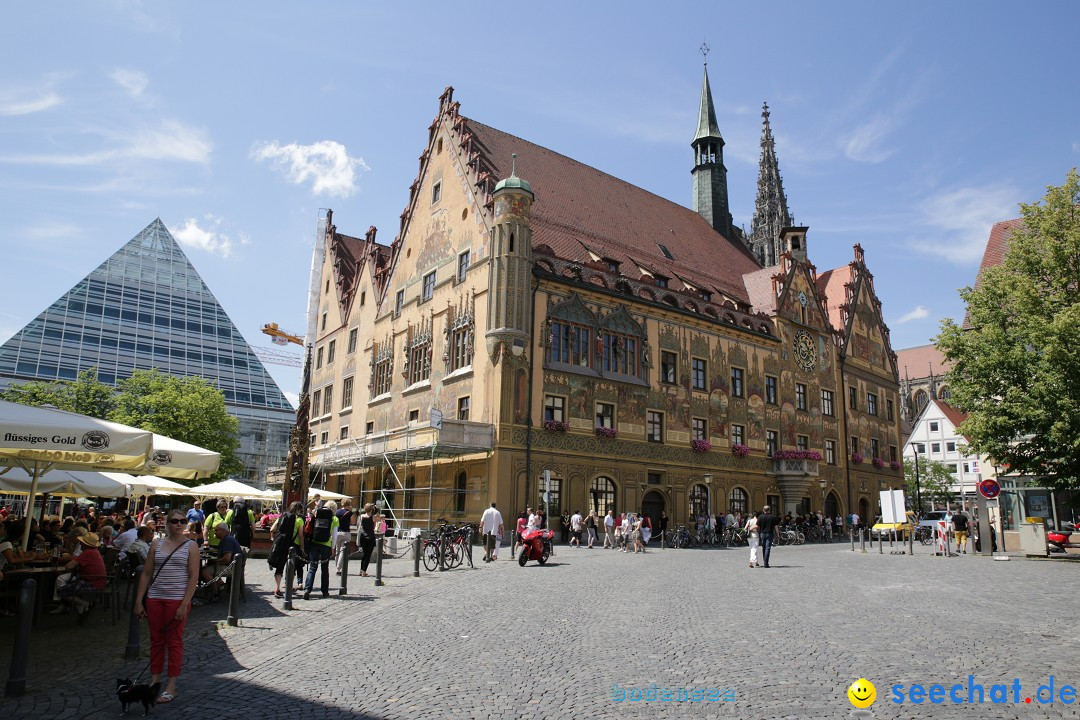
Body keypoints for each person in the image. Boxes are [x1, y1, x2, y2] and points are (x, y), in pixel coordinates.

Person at [134, 508, 198, 705]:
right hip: (155, 598)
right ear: (167, 524)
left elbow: (193, 577)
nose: (178, 524)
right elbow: (146, 573)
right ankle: (155, 681)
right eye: (174, 521)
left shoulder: (191, 546)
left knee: (174, 642)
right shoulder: (156, 544)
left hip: (176, 600)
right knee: (156, 640)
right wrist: (139, 601)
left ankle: (171, 686)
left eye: (182, 521)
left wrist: (184, 604)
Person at [53, 531, 106, 617]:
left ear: (86, 545)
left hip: (92, 583)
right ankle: (79, 609)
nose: (80, 544)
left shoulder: (88, 553)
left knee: (62, 590)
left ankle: (84, 604)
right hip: (96, 581)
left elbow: (68, 567)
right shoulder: (94, 551)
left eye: (82, 542)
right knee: (66, 583)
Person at [268, 502, 305, 597]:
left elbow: (272, 529)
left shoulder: (283, 515)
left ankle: (277, 589)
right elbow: (300, 536)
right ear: (298, 509)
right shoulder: (299, 520)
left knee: (279, 568)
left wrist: (273, 538)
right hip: (293, 546)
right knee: (291, 567)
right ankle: (289, 587)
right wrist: (302, 548)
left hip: (281, 544)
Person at [303, 500, 337, 600]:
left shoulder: (317, 514)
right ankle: (325, 591)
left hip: (315, 543)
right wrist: (333, 547)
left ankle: (307, 589)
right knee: (324, 568)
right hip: (326, 545)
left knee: (313, 567)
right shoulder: (334, 518)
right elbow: (335, 535)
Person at [334, 499, 355, 575]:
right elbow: (353, 522)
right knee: (343, 551)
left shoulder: (337, 512)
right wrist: (351, 511)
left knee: (337, 550)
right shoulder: (349, 513)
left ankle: (337, 567)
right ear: (349, 504)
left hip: (337, 532)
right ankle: (338, 568)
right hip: (345, 533)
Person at [356, 503, 376, 577]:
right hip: (370, 537)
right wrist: (375, 509)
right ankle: (364, 571)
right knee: (368, 555)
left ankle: (361, 570)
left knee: (364, 554)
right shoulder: (373, 517)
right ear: (371, 509)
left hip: (363, 537)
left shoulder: (361, 516)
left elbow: (358, 525)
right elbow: (379, 518)